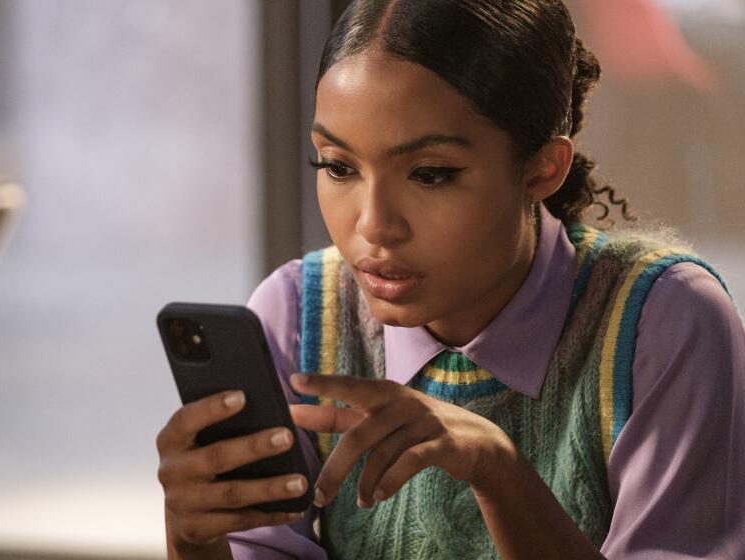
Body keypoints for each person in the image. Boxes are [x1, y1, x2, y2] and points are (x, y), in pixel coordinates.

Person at [156, 1, 745, 558]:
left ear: (543, 167)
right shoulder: (297, 317)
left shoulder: (662, 324)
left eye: (430, 174)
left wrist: (501, 475)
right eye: (338, 166)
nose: (374, 226)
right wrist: (191, 538)